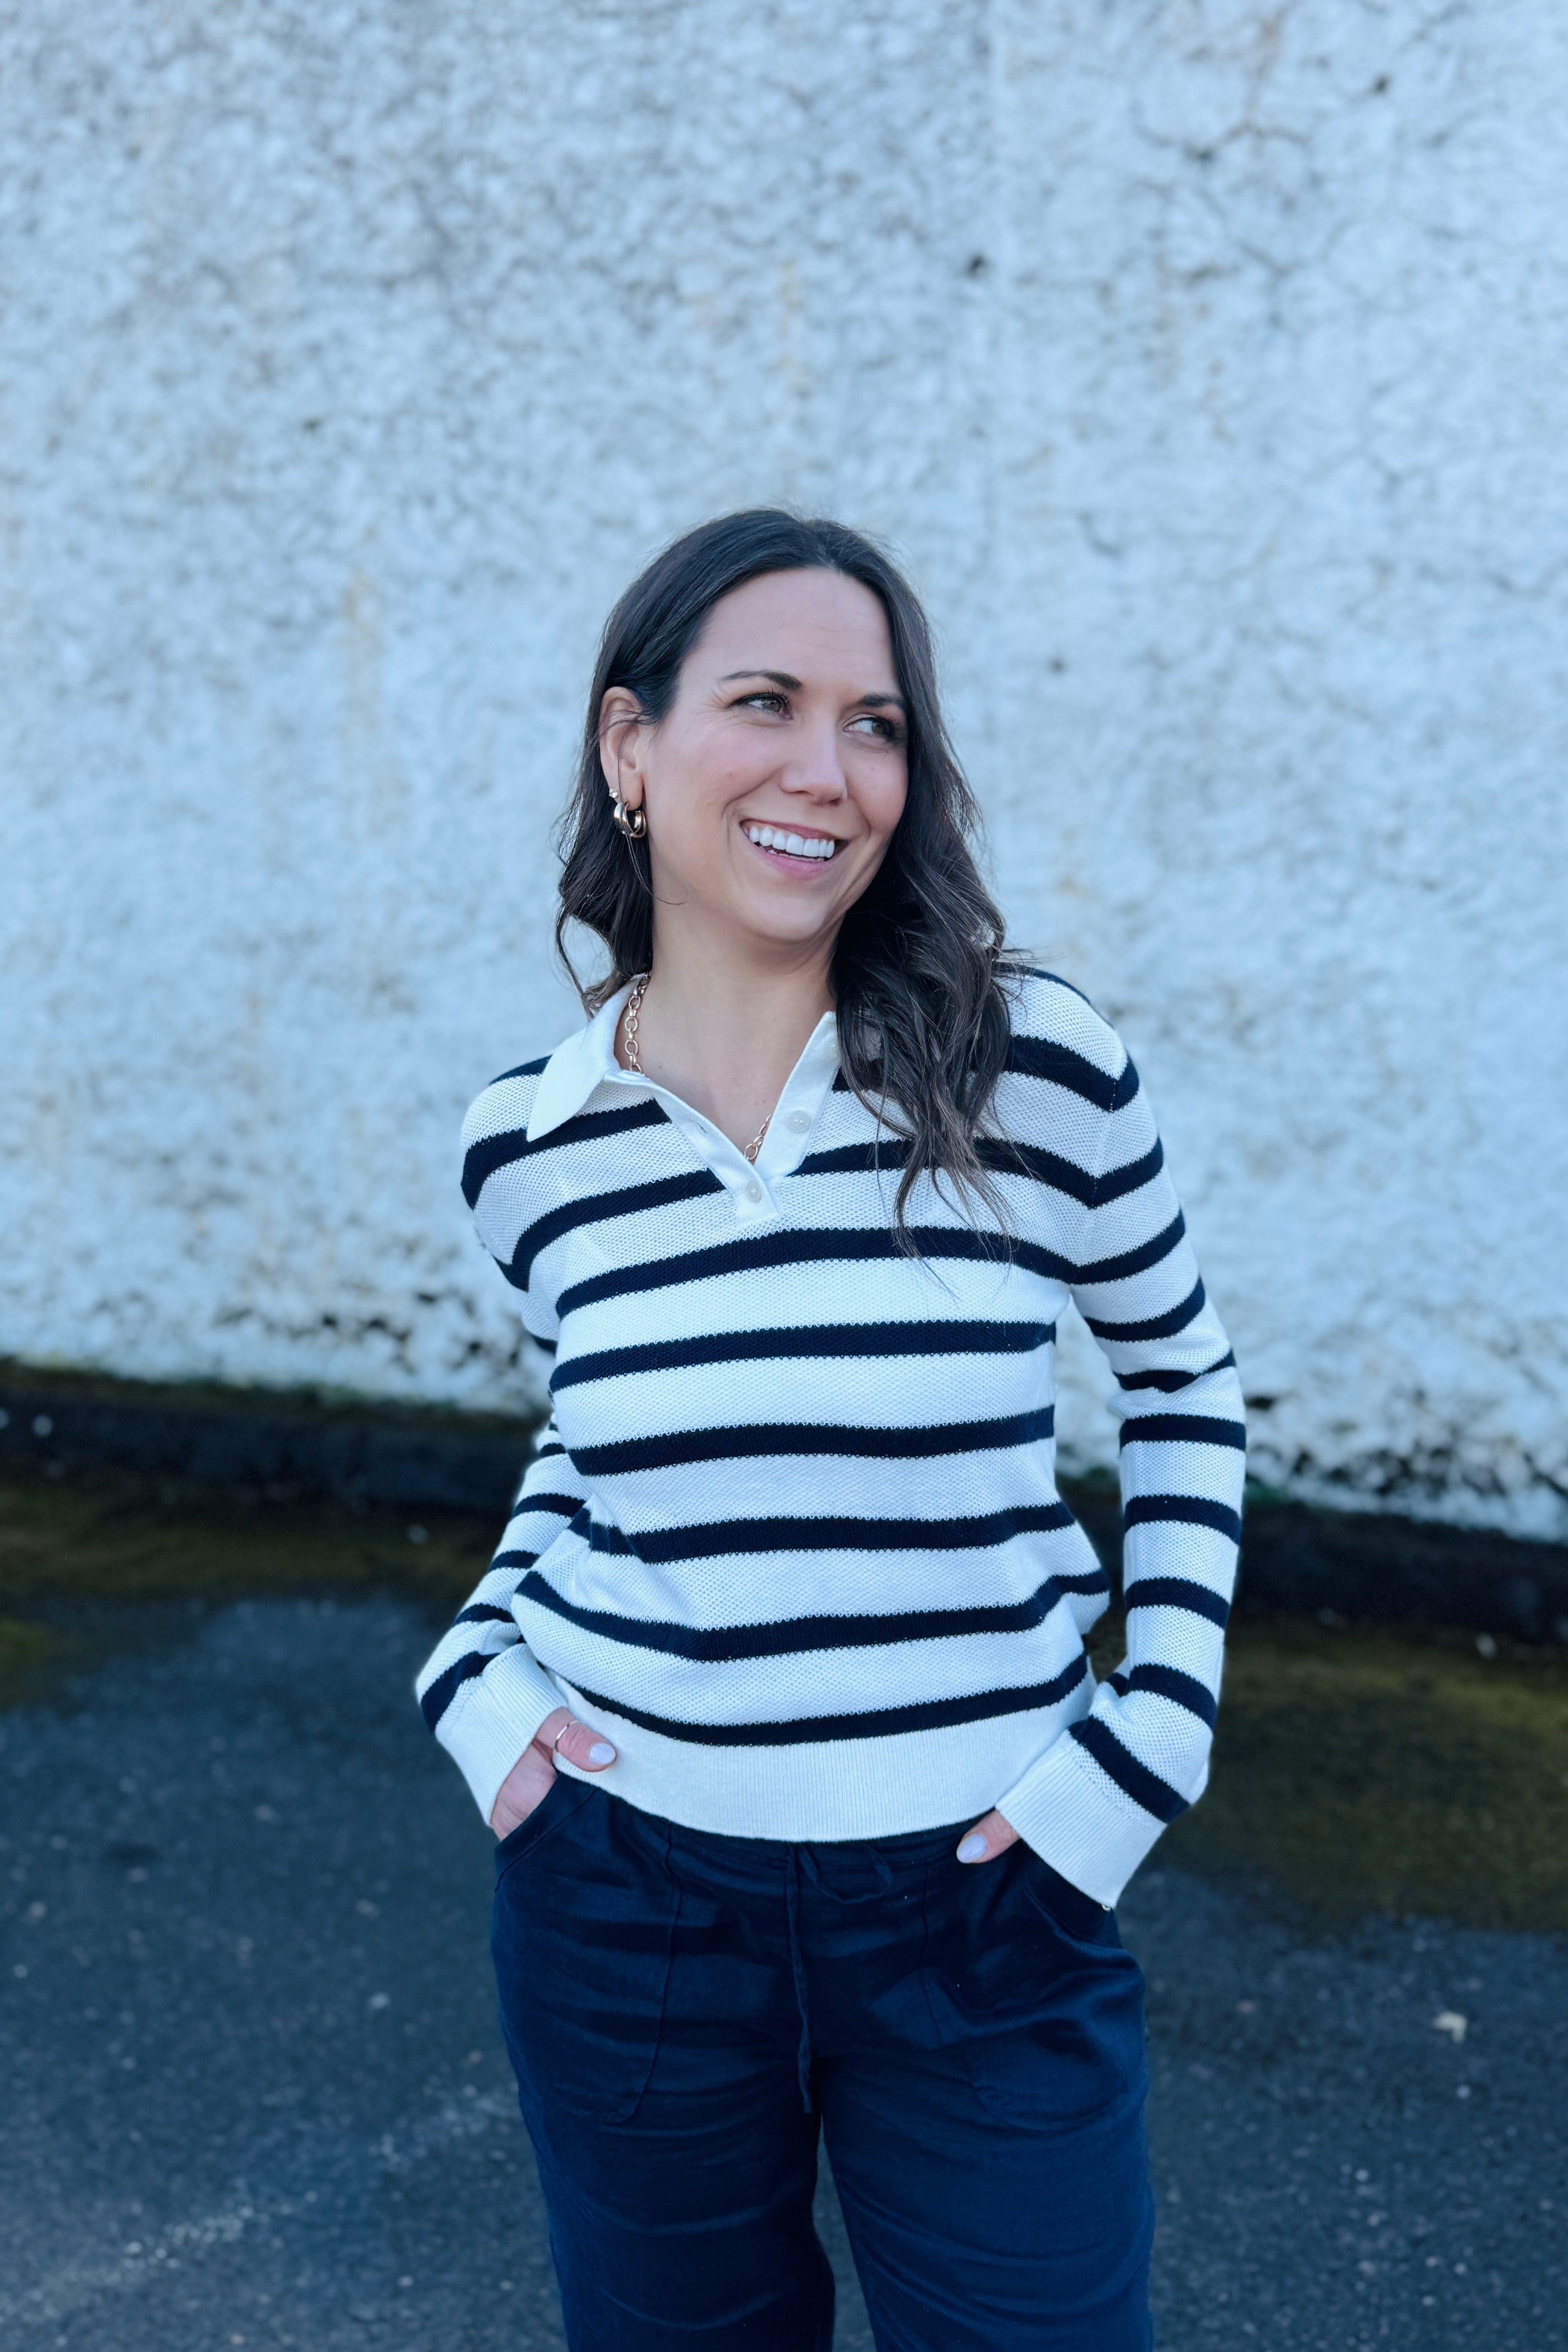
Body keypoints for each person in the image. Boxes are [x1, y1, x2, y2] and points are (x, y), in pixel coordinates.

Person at [416, 510, 1244, 2350]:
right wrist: (474, 1678)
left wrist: (1147, 1742)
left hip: (984, 1904)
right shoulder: (525, 1140)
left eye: (875, 723)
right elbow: (594, 1448)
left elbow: (1185, 1384)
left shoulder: (1030, 1064)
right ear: (630, 747)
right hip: (625, 1903)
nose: (829, 771)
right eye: (767, 703)